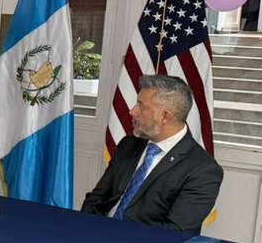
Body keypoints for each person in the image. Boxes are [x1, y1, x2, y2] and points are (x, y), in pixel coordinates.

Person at [82, 75, 222, 233]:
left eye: (141, 106)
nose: (132, 111)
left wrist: (115, 236)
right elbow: (97, 198)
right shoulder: (129, 144)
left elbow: (174, 232)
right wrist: (87, 229)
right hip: (97, 233)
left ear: (165, 116)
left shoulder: (203, 170)